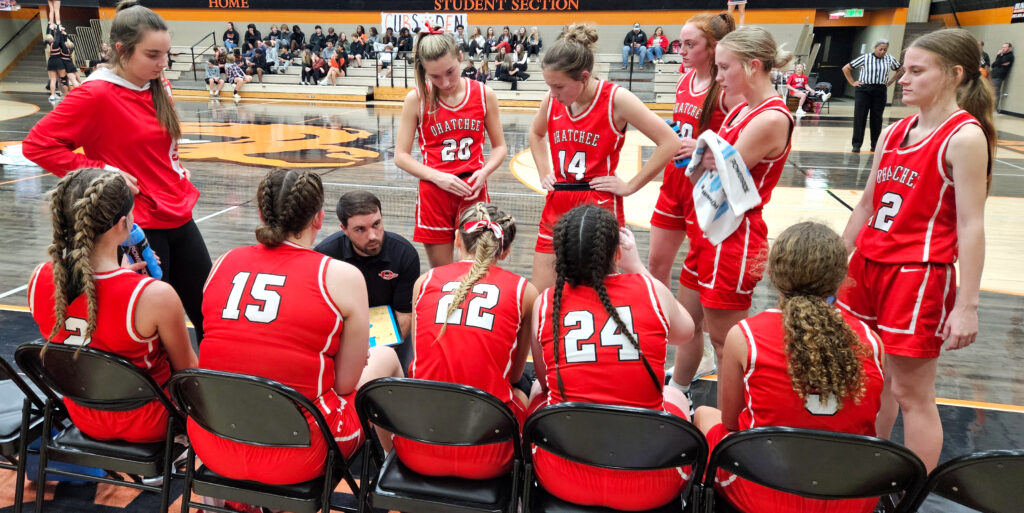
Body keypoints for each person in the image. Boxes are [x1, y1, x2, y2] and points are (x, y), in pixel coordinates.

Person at [839, 28, 994, 472]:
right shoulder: (893, 130)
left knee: (911, 393)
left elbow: (971, 225)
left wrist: (968, 305)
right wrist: (835, 264)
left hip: (918, 274)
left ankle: (914, 488)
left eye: (915, 71)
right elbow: (866, 204)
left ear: (953, 74)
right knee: (869, 382)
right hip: (866, 267)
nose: (901, 79)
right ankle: (870, 470)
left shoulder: (964, 136)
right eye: (903, 70)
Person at [192, 170, 402, 485]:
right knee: (385, 357)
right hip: (298, 453)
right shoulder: (340, 276)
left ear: (262, 213)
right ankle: (394, 469)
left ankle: (229, 498)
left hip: (212, 440)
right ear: (319, 218)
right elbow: (345, 385)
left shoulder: (223, 262)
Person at [24, 0, 213, 343]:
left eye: (166, 54)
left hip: (179, 216)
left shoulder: (157, 84)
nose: (163, 63)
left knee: (210, 315)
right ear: (122, 51)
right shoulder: (95, 94)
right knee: (152, 327)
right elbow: (37, 145)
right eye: (153, 55)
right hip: (136, 224)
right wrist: (102, 171)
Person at [693, 221, 886, 513]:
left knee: (705, 415)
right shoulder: (871, 342)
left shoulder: (745, 336)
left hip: (766, 493)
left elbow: (732, 424)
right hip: (848, 496)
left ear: (771, 272)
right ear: (842, 278)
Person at [530, 205, 695, 511]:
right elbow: (685, 332)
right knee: (674, 395)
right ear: (618, 254)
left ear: (561, 256)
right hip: (648, 483)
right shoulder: (651, 290)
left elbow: (544, 380)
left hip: (562, 476)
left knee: (540, 393)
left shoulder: (545, 303)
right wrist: (639, 270)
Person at [28, 168, 198, 443]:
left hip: (82, 413)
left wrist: (121, 275)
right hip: (151, 421)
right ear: (123, 225)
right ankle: (173, 461)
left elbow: (95, 301)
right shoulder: (154, 296)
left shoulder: (39, 278)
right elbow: (189, 372)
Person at [677, 26, 795, 385]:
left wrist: (704, 153)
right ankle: (679, 394)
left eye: (724, 68)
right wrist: (701, 155)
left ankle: (736, 425)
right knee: (686, 324)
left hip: (736, 236)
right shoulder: (740, 108)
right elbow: (706, 167)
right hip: (709, 225)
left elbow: (724, 172)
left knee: (726, 343)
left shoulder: (771, 118)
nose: (718, 77)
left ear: (752, 66)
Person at [528, 23, 678, 291]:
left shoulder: (616, 99)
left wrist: (630, 186)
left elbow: (669, 141)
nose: (553, 94)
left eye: (559, 86)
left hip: (597, 203)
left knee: (599, 293)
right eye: (549, 86)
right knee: (542, 294)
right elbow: (536, 134)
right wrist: (543, 171)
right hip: (559, 199)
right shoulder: (551, 100)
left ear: (584, 77)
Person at [395, 202, 537, 479]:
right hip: (488, 458)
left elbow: (419, 357)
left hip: (416, 448)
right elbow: (516, 373)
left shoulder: (424, 282)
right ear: (505, 251)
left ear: (457, 238)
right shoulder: (524, 291)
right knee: (525, 390)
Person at [646, 13, 737, 394]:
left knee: (696, 284)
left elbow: (734, 146)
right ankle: (660, 335)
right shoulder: (684, 79)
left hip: (707, 189)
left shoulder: (726, 90)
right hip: (675, 182)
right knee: (655, 264)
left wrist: (704, 148)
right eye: (680, 43)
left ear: (713, 48)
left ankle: (691, 353)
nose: (680, 50)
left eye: (689, 45)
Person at [395, 30, 508, 268]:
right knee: (443, 274)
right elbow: (400, 156)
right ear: (424, 71)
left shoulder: (484, 94)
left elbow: (500, 148)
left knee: (479, 271)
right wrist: (438, 177)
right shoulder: (416, 99)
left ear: (459, 57)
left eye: (450, 72)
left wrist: (485, 172)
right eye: (435, 77)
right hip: (434, 193)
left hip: (473, 191)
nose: (445, 82)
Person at [315, 191, 420, 370]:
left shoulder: (404, 254)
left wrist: (376, 356)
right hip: (344, 329)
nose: (372, 236)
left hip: (391, 330)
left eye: (376, 224)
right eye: (360, 229)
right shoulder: (325, 256)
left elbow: (404, 315)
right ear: (344, 230)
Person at [842, 39, 904, 153]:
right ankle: (856, 145)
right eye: (880, 49)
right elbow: (846, 68)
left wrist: (890, 81)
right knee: (860, 117)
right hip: (864, 89)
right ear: (875, 48)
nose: (882, 51)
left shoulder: (889, 58)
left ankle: (875, 145)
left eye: (885, 49)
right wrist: (852, 82)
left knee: (877, 118)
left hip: (880, 90)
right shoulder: (865, 58)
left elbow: (900, 69)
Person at [45, 28, 67, 101]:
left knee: (53, 79)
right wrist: (58, 29)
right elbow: (58, 36)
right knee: (63, 79)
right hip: (58, 62)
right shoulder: (55, 44)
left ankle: (52, 95)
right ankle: (66, 95)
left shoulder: (48, 45)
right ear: (51, 39)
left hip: (51, 62)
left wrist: (51, 30)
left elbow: (52, 36)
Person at [990, 42, 1013, 112]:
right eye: (1002, 47)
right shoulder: (1002, 55)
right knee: (990, 91)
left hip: (999, 76)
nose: (1003, 49)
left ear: (1009, 48)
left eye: (1005, 47)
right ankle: (989, 107)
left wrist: (999, 57)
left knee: (996, 91)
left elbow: (997, 63)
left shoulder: (1010, 56)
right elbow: (993, 65)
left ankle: (994, 108)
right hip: (993, 74)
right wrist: (999, 59)